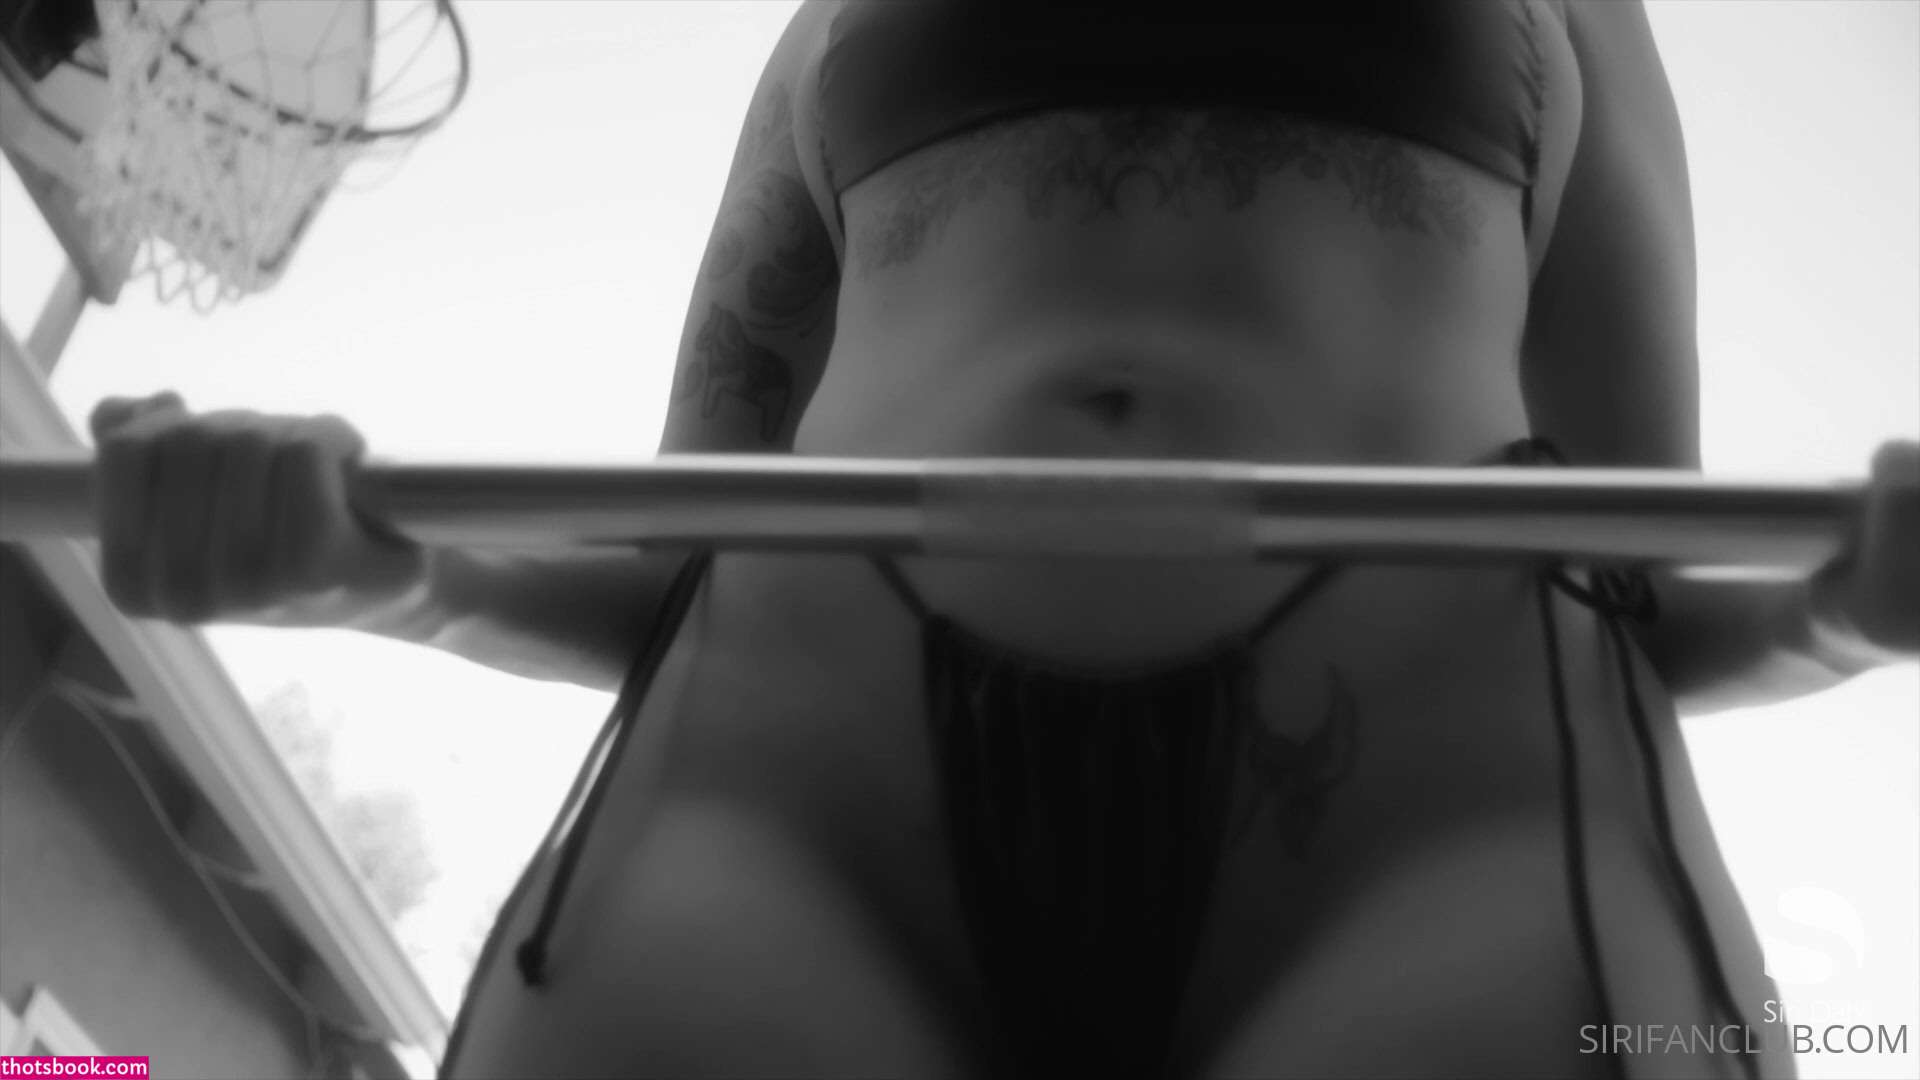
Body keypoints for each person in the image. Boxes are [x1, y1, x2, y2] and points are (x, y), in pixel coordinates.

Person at [89, 2, 1917, 1077]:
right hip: (805, 799)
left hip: (1437, 821)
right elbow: (678, 551)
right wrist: (386, 575)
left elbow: (1641, 572)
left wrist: (1853, 612)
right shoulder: (830, 28)